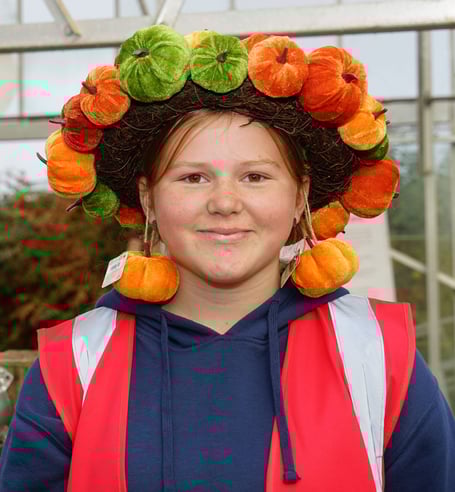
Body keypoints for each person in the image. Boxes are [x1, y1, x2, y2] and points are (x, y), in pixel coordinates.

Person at [0, 25, 454, 492]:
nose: (224, 202)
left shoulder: (378, 353)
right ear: (148, 198)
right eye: (193, 178)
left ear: (300, 196)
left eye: (255, 176)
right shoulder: (72, 364)